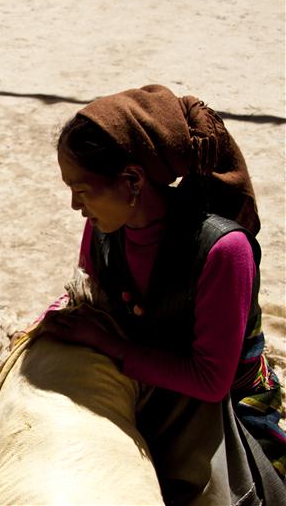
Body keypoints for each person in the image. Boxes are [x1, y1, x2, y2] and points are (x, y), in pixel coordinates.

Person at [43, 84, 285, 501]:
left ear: (133, 181)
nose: (74, 205)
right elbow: (91, 294)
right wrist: (60, 316)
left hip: (224, 408)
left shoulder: (223, 250)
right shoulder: (104, 230)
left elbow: (210, 380)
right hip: (145, 381)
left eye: (82, 190)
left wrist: (105, 343)